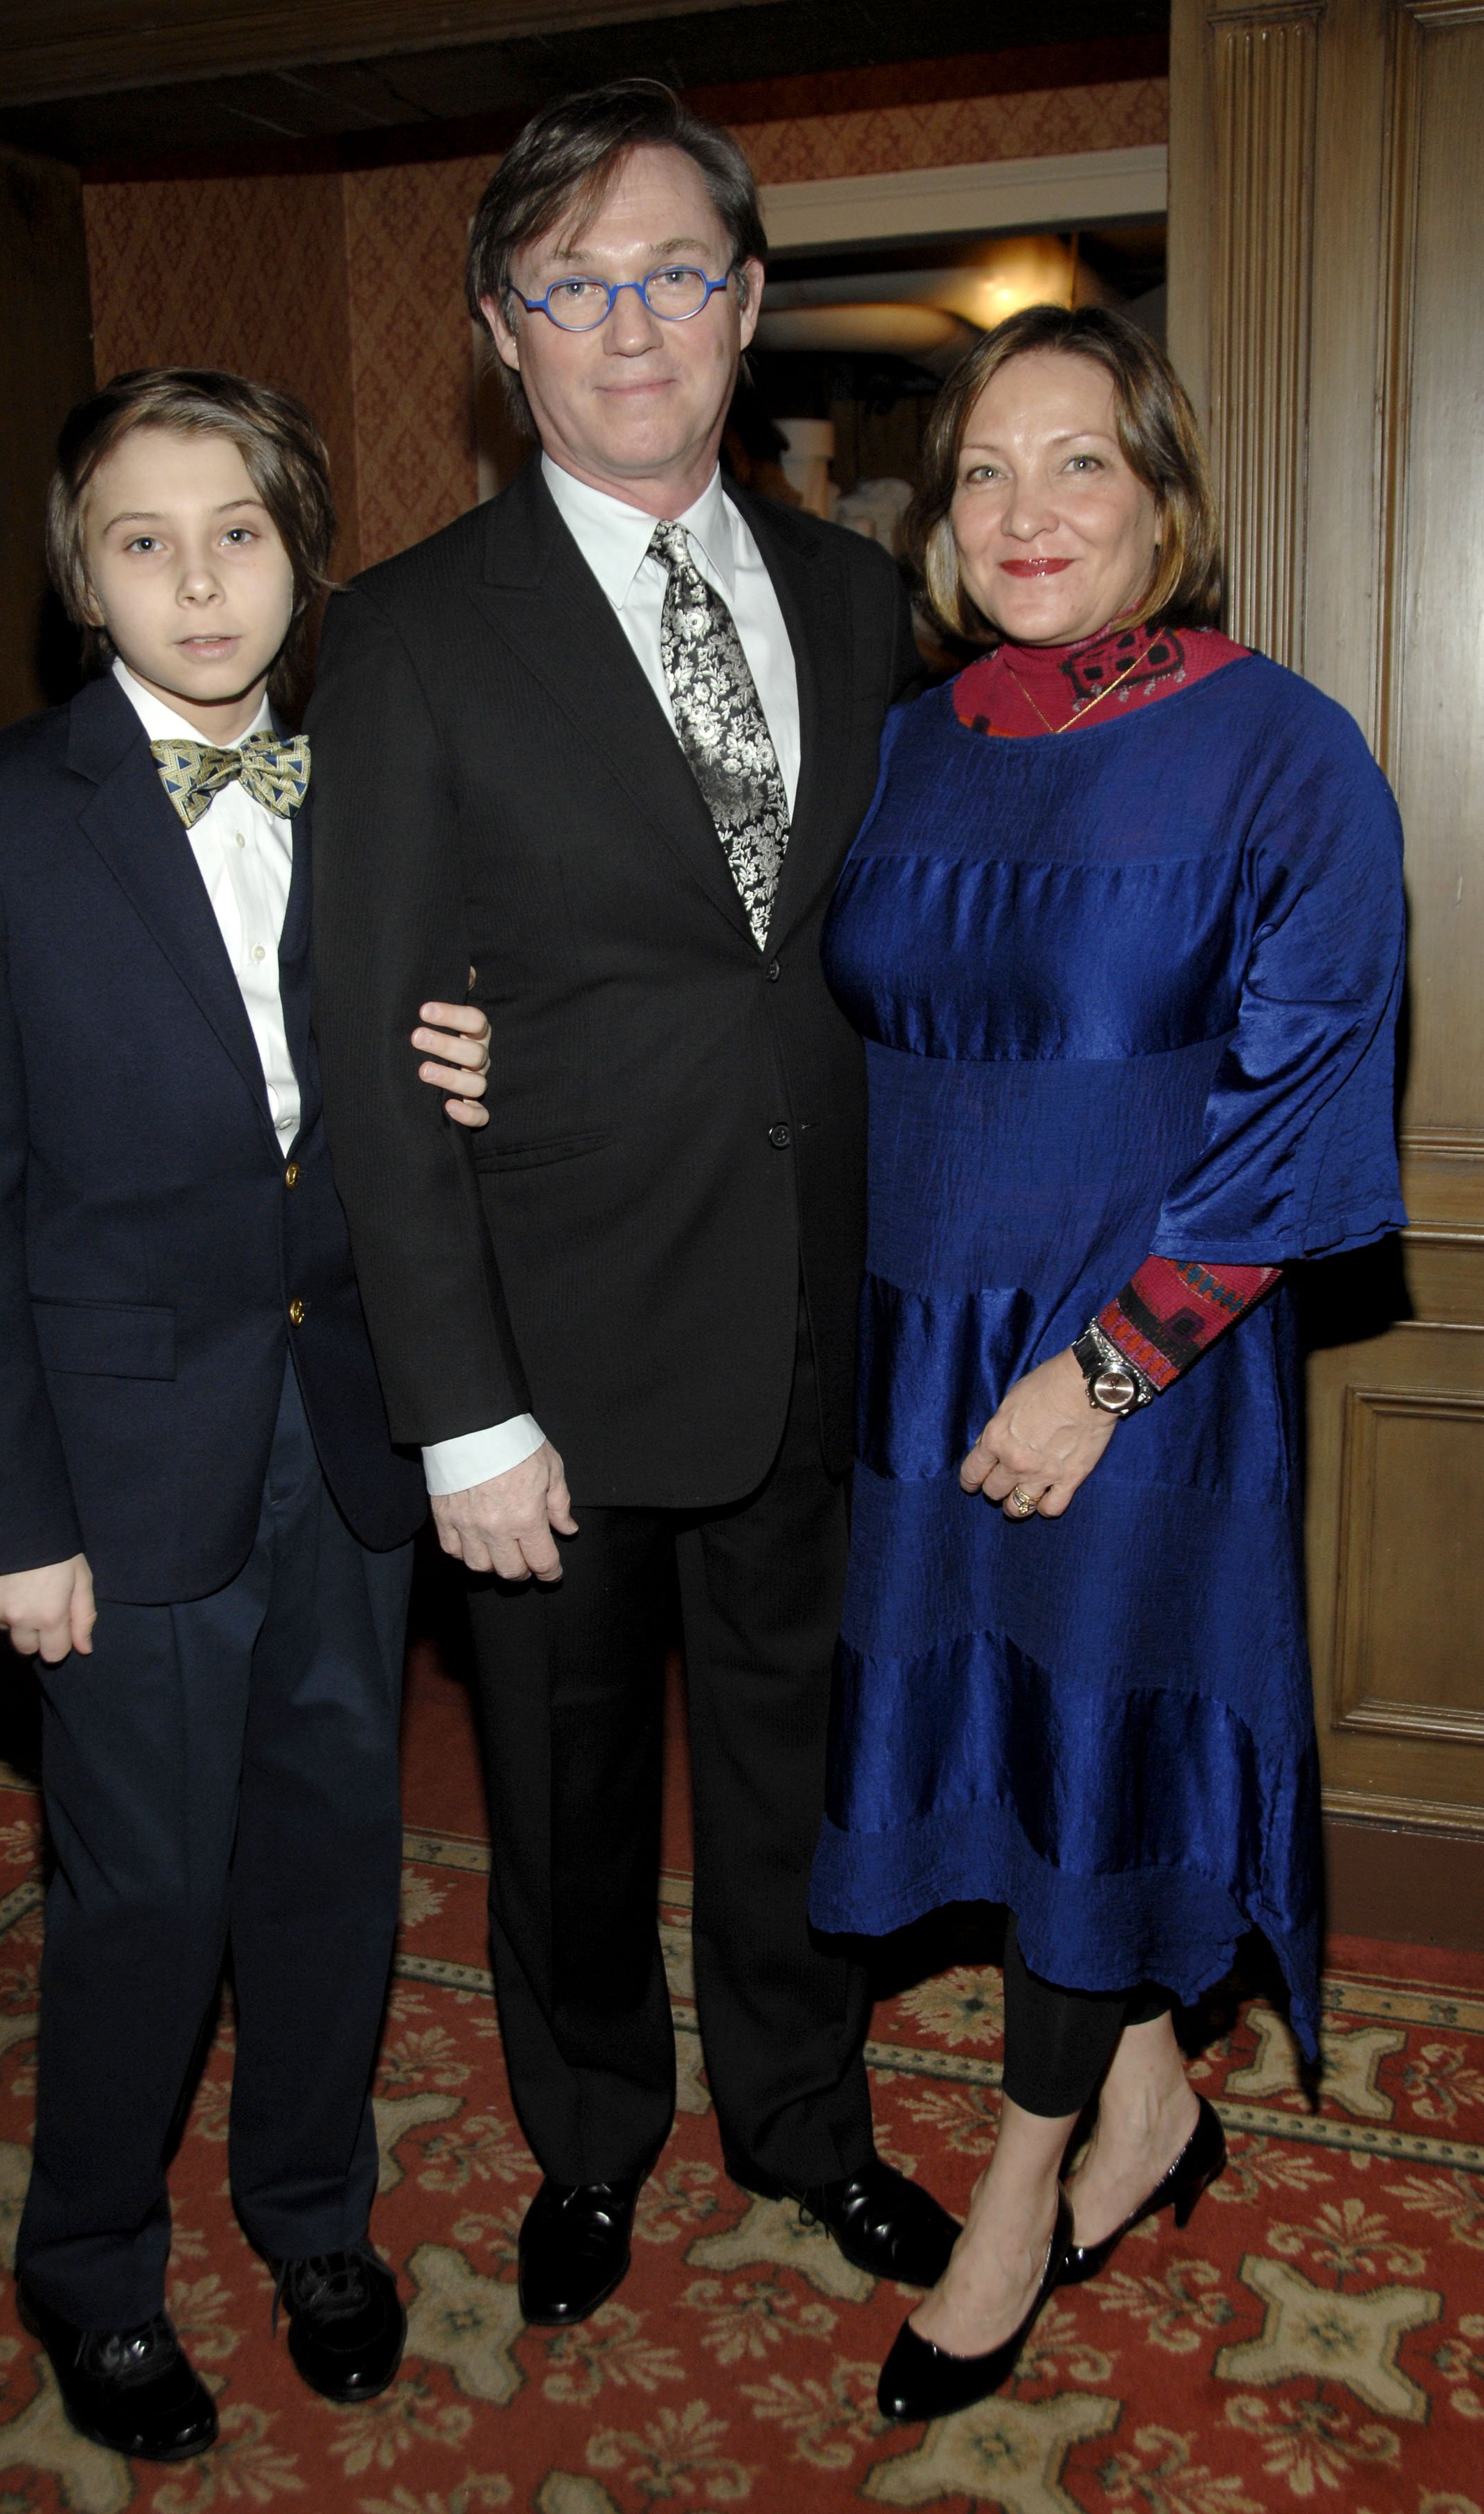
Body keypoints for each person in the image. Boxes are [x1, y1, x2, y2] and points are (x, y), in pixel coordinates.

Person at [308, 79, 957, 2328]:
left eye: (676, 271)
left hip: (819, 1329)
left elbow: (883, 952)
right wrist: (461, 1411)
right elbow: (371, 1064)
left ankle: (807, 2117)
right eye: (575, 285)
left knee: (803, 1775)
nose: (633, 325)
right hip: (553, 1370)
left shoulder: (862, 600)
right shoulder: (404, 635)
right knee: (570, 1811)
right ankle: (591, 2133)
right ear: (505, 333)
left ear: (751, 301)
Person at [0, 369, 490, 2463]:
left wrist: (474, 1084)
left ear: (301, 550)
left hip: (344, 1441)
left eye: (236, 528)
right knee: (138, 1896)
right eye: (143, 538)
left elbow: (398, 1115)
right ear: (82, 576)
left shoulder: (372, 790)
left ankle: (314, 2214)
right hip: (114, 1477)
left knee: (334, 1863)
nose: (198, 576)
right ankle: (94, 2267)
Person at [807, 304, 1406, 2421]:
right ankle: (1152, 2099)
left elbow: (1309, 1105)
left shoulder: (1281, 746)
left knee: (1094, 1750)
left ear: (1163, 495)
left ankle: (1019, 2194)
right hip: (913, 1343)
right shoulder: (915, 739)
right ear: (940, 519)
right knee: (1040, 1760)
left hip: (1133, 1361)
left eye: (1079, 464)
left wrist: (1113, 1372)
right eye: (983, 470)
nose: (1027, 509)